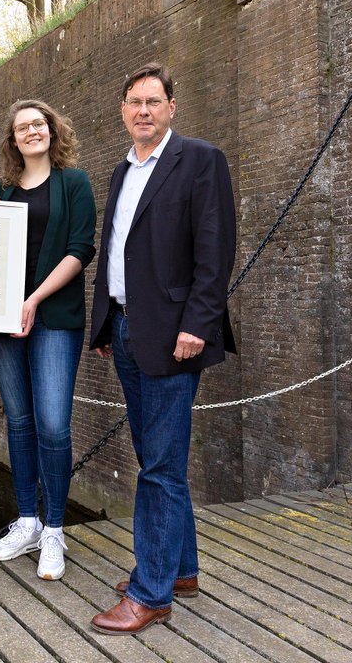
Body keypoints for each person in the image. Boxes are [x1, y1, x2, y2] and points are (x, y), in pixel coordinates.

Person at [87, 63, 236, 634]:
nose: (142, 111)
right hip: (126, 329)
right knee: (157, 457)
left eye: (153, 101)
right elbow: (115, 251)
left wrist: (199, 323)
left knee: (161, 466)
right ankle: (179, 570)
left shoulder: (200, 160)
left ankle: (150, 594)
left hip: (176, 334)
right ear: (123, 112)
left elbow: (214, 249)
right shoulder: (121, 172)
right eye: (133, 102)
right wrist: (105, 324)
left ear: (172, 106)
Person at [0, 99, 96, 580]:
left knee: (53, 424)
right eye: (22, 127)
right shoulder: (0, 189)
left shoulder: (75, 183)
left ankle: (54, 529)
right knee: (20, 420)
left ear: (52, 129)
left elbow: (80, 250)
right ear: (12, 139)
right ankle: (27, 520)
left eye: (39, 124)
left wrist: (33, 299)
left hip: (53, 315)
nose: (32, 131)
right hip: (2, 319)